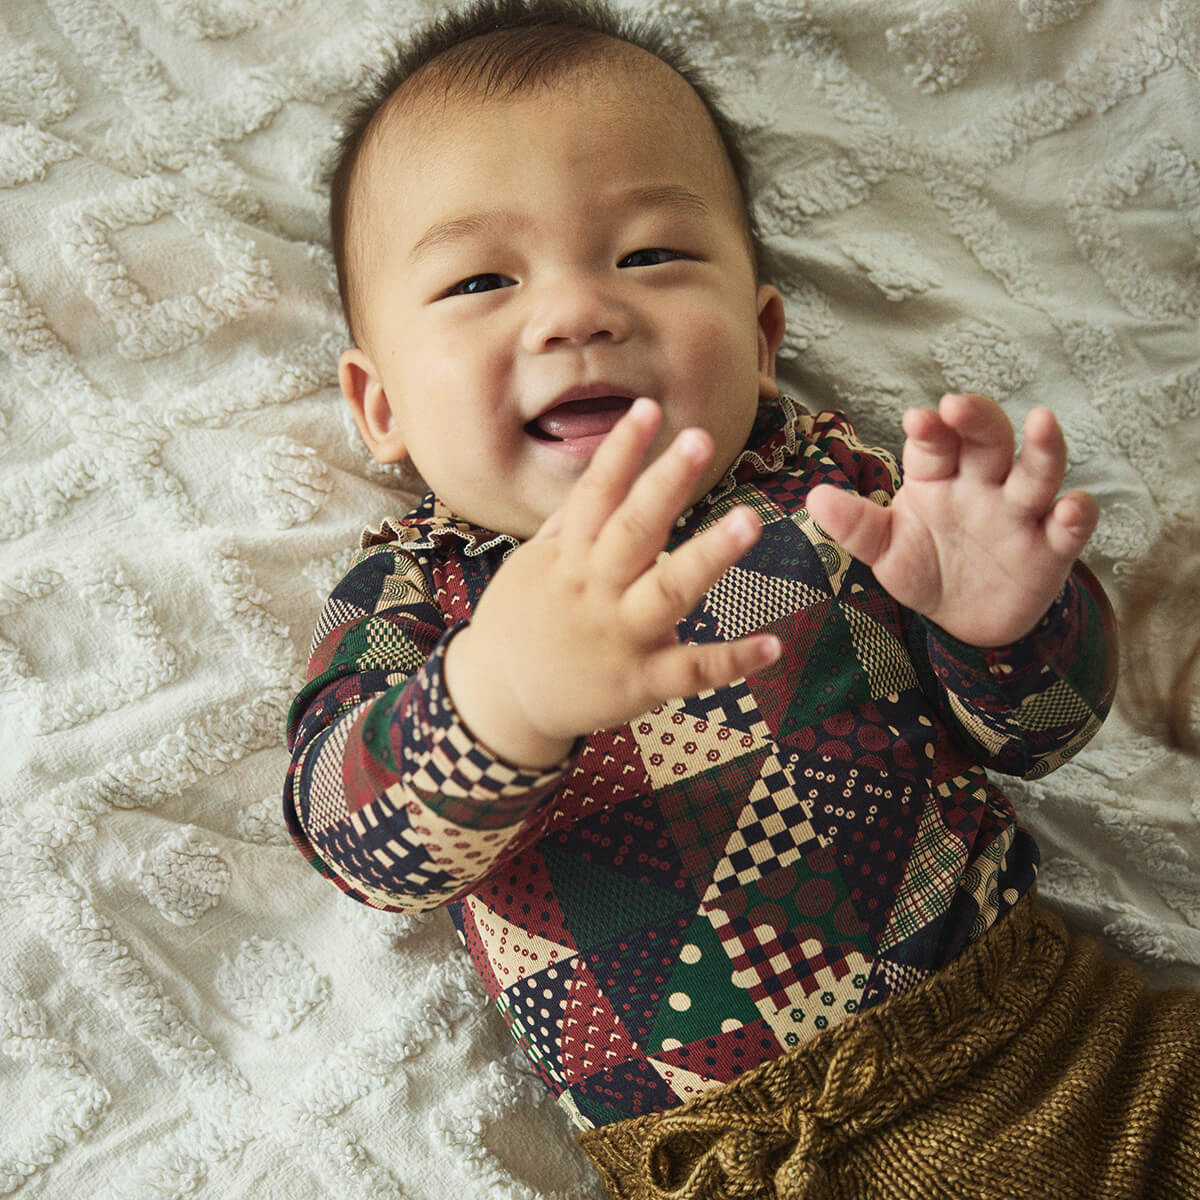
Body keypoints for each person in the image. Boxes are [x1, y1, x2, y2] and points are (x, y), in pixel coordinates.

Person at [283, 1, 1200, 1195]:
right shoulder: (420, 594)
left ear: (763, 339)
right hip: (743, 1166)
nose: (576, 313)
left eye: (650, 255)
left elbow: (1035, 737)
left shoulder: (825, 498)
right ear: (383, 406)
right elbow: (352, 842)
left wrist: (1009, 624)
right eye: (479, 280)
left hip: (1067, 1049)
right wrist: (499, 696)